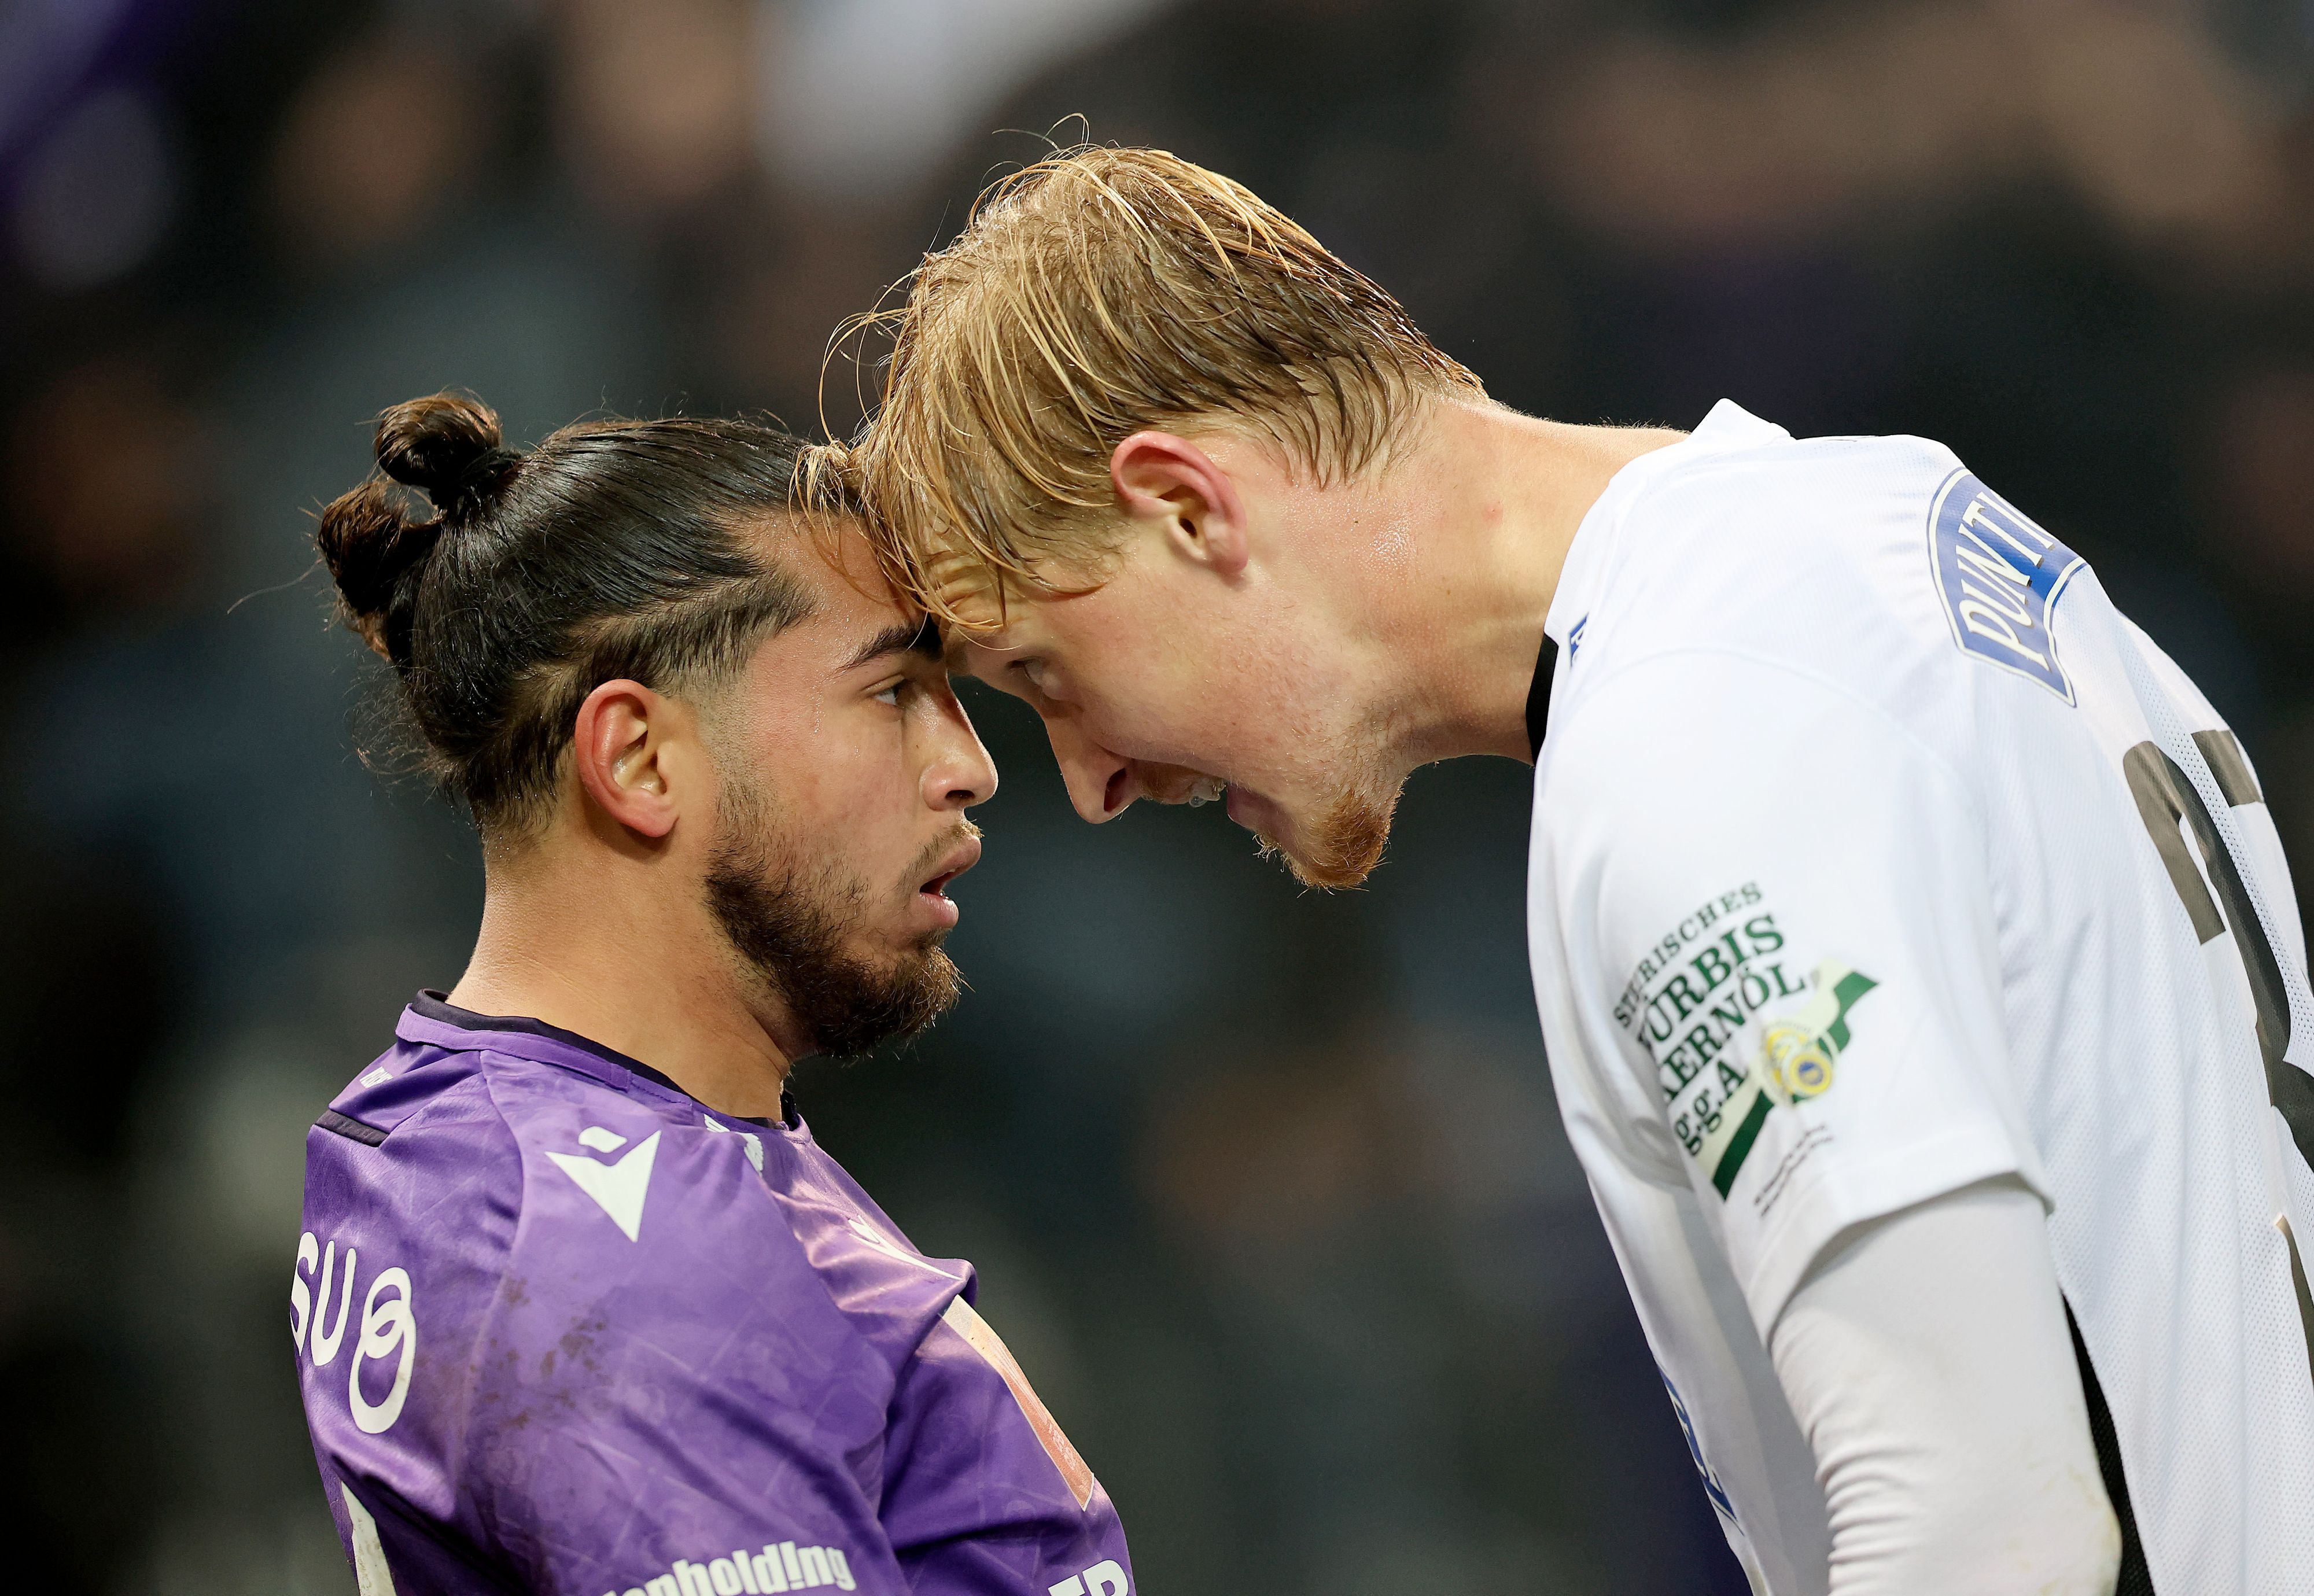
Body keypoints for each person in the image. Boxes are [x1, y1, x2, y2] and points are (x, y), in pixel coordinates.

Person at [837, 146, 2314, 1595]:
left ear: (1184, 508)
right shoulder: (1877, 525)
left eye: (1044, 672)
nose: (1089, 784)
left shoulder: (1698, 722)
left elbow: (1989, 1535)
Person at [293, 393, 1134, 1596]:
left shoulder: (472, 1142)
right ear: (637, 759)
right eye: (892, 689)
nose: (970, 766)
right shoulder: (625, 1265)